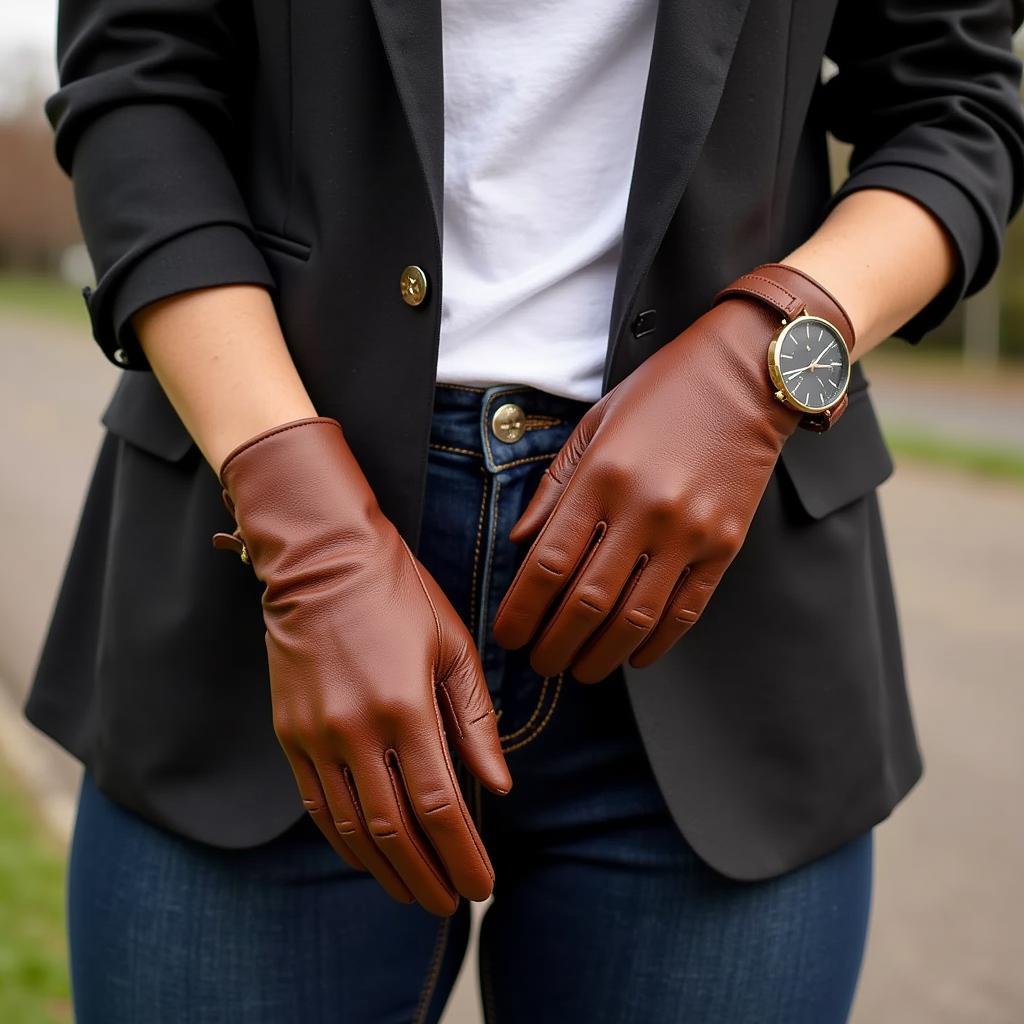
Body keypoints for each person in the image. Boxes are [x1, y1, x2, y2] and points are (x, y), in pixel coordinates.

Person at [27, 0, 1024, 1020]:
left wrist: (762, 359)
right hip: (262, 600)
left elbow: (955, 106)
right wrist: (299, 521)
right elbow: (140, 82)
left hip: (719, 600)